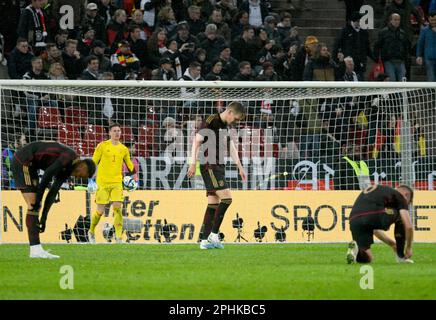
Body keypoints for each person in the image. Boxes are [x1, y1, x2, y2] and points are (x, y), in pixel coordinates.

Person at [11, 141, 96, 258]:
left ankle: (36, 249)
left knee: (35, 206)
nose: (77, 177)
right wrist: (38, 202)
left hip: (32, 166)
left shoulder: (68, 169)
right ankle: (35, 249)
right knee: (33, 206)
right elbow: (46, 176)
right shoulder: (68, 156)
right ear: (83, 164)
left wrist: (44, 216)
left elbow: (53, 192)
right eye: (80, 174)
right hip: (23, 160)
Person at [187, 102, 247, 250]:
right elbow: (196, 141)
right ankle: (213, 235)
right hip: (210, 166)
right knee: (227, 198)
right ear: (230, 112)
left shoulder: (225, 126)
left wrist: (239, 166)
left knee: (213, 203)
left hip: (218, 166)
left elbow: (230, 146)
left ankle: (204, 240)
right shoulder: (211, 120)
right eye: (236, 118)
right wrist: (192, 163)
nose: (236, 121)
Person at [88, 123, 136, 244]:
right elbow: (93, 163)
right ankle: (91, 231)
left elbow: (130, 164)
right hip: (102, 183)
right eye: (114, 131)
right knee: (100, 211)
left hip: (117, 183)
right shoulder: (102, 146)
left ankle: (119, 237)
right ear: (109, 133)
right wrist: (90, 180)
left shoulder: (124, 149)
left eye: (119, 131)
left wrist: (136, 180)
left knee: (118, 209)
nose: (117, 133)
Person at [347, 184, 414, 264]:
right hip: (373, 214)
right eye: (408, 202)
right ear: (406, 195)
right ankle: (401, 256)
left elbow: (375, 230)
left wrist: (392, 244)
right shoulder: (400, 197)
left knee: (367, 258)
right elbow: (409, 227)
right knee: (401, 217)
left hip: (354, 219)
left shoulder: (383, 192)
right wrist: (409, 248)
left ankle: (356, 251)